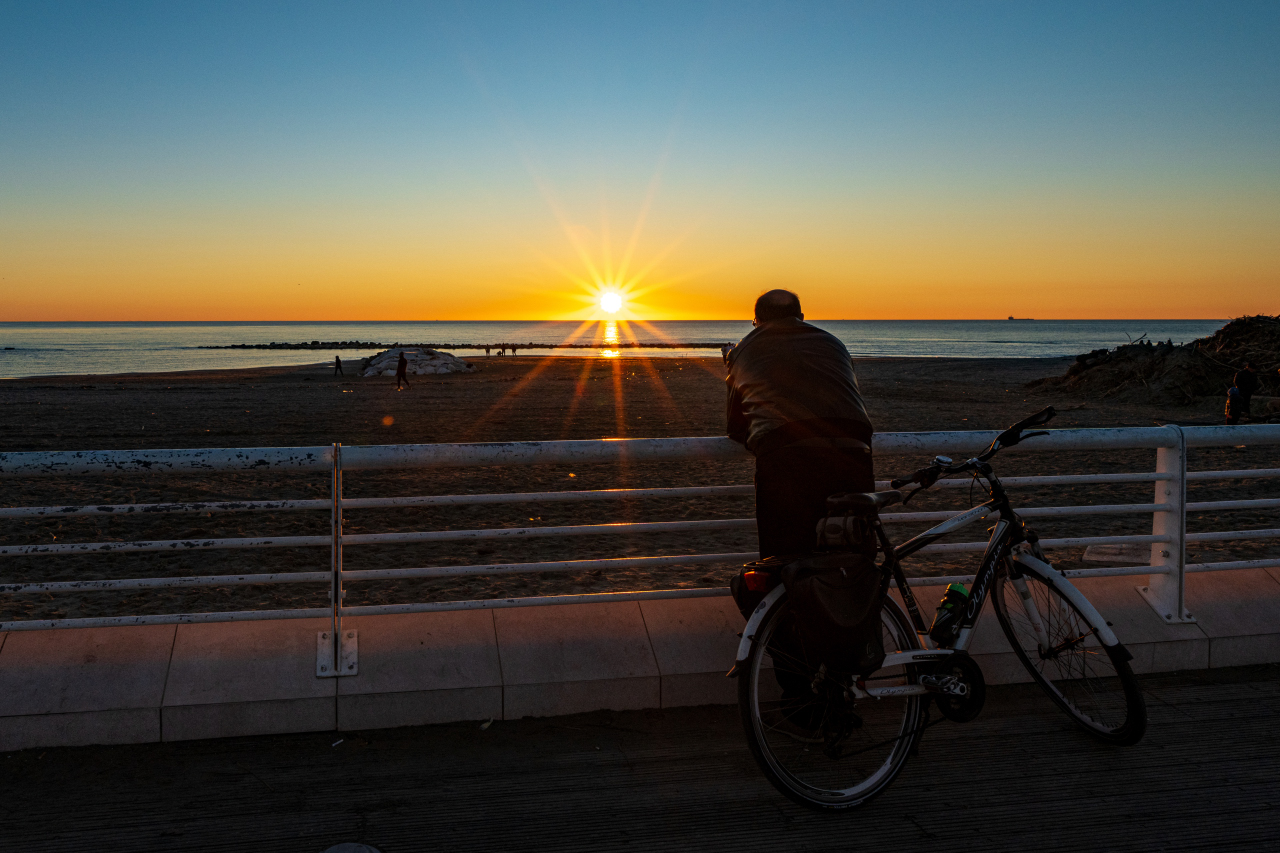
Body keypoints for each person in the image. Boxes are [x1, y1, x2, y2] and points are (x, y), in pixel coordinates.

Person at [726, 289, 874, 558]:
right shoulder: (833, 343)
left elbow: (735, 426)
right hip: (855, 448)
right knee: (853, 549)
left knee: (784, 556)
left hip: (787, 454)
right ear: (802, 317)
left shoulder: (745, 347)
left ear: (756, 320)